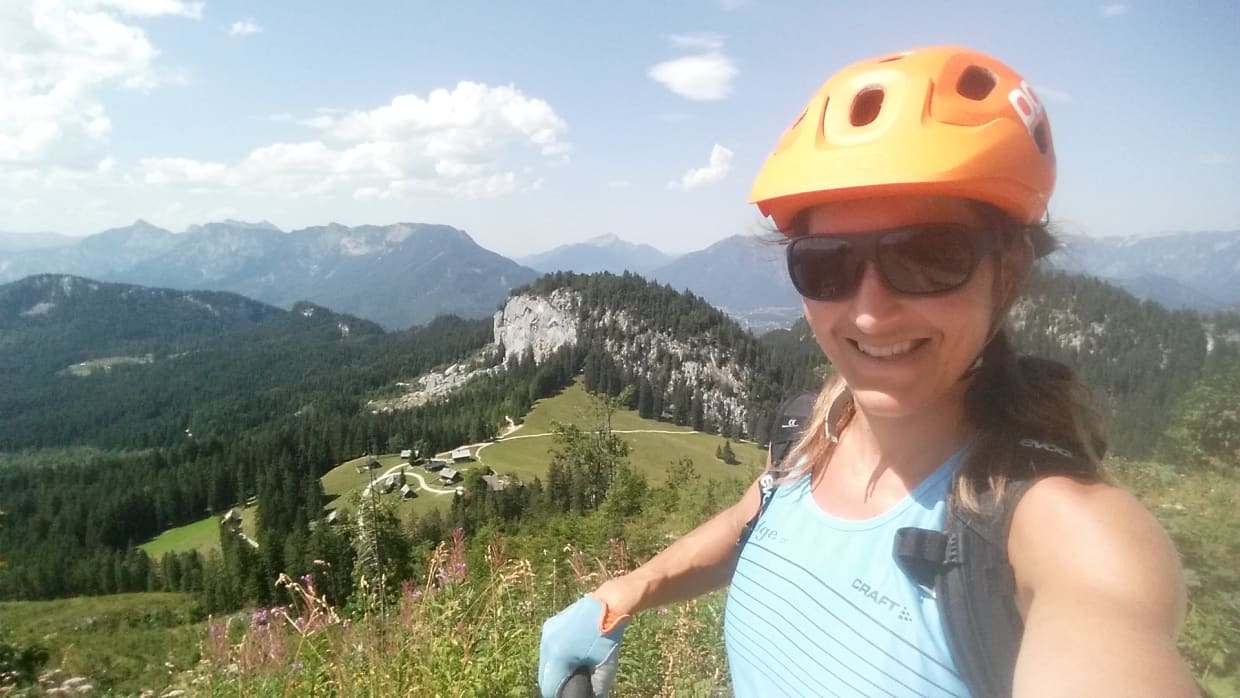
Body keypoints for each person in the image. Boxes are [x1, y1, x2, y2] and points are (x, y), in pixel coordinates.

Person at [538, 45, 1197, 697]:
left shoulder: (1063, 531)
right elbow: (756, 516)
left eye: (931, 255)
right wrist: (623, 593)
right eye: (827, 264)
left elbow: (1109, 626)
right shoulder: (815, 428)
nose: (870, 311)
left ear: (1010, 273)